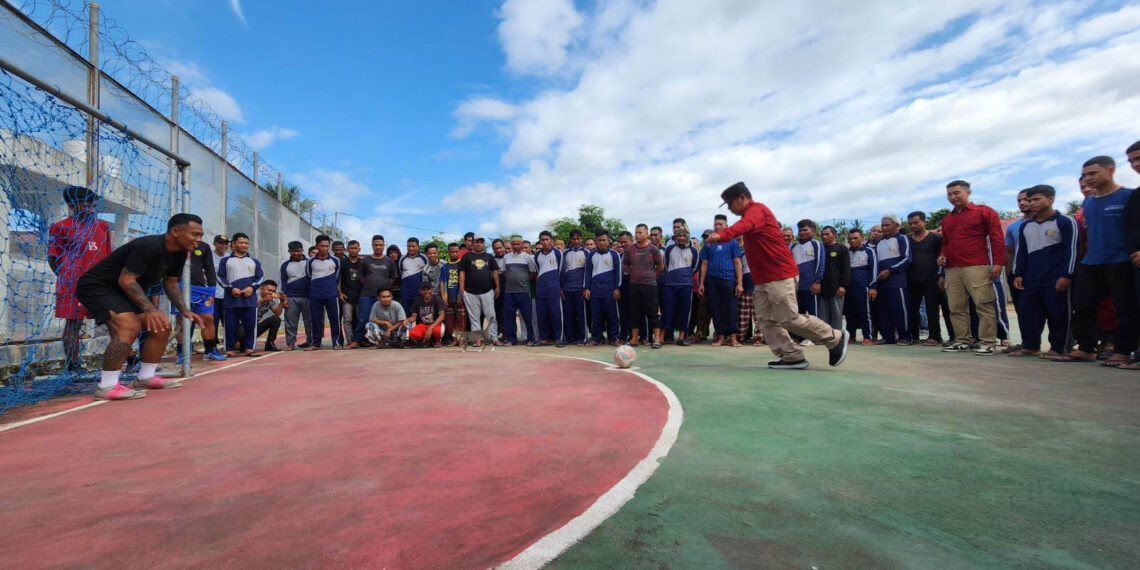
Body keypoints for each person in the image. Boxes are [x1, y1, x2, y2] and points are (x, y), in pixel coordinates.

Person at [708, 182, 849, 369]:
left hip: (779, 275)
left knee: (789, 317)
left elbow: (744, 225)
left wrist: (722, 235)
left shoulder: (757, 211)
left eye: (729, 203)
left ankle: (835, 338)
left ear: (742, 197)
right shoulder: (750, 215)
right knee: (766, 320)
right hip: (762, 279)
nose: (729, 208)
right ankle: (791, 356)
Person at [75, 213, 205, 400]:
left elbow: (170, 283)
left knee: (162, 327)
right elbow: (126, 279)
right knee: (129, 325)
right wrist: (150, 309)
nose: (199, 240)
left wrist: (185, 310)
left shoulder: (181, 252)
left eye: (200, 235)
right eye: (195, 234)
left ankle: (145, 377)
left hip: (123, 290)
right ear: (175, 231)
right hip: (98, 287)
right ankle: (107, 386)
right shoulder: (148, 246)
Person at [1053, 156, 1136, 366]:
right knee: (1082, 307)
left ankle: (1123, 351)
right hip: (1091, 263)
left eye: (1093, 173)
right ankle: (1086, 348)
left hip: (1121, 261)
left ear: (1111, 170)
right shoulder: (1088, 202)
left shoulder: (1129, 196)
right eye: (1084, 175)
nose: (1088, 179)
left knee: (1125, 308)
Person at [48, 186, 112, 374]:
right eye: (86, 205)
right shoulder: (60, 227)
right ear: (71, 205)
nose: (92, 209)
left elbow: (108, 256)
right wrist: (66, 278)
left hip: (99, 283)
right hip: (72, 283)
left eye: (93, 205)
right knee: (73, 323)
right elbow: (53, 258)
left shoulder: (102, 226)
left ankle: (129, 357)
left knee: (114, 319)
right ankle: (73, 364)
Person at [938, 180, 1006, 355]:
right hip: (952, 268)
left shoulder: (984, 212)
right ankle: (962, 340)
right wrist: (942, 257)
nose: (953, 197)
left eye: (956, 193)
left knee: (983, 304)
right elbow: (946, 243)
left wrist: (998, 263)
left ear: (968, 192)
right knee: (955, 307)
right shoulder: (947, 219)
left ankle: (988, 342)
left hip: (977, 265)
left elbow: (996, 238)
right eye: (949, 194)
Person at [1010, 185, 1076, 358]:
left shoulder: (1064, 221)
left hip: (1055, 278)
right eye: (1029, 200)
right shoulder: (1026, 226)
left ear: (1050, 199)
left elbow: (1073, 250)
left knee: (1058, 314)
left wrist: (1066, 275)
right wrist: (1018, 274)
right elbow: (1021, 253)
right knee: (1029, 313)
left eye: (1036, 199)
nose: (1031, 203)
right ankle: (1031, 346)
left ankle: (1059, 347)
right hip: (1031, 279)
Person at [172, 239, 225, 362]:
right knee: (181, 321)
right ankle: (182, 354)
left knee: (208, 318)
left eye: (200, 233)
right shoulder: (174, 243)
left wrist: (212, 290)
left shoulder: (203, 247)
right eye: (195, 233)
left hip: (200, 288)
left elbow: (209, 268)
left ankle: (210, 351)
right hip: (179, 286)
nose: (197, 236)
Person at [699, 215, 743, 347]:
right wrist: (701, 283)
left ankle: (734, 338)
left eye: (720, 224)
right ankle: (720, 337)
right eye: (715, 224)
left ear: (726, 226)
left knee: (731, 308)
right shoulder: (708, 243)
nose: (717, 226)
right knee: (716, 308)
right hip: (712, 281)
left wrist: (739, 283)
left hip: (728, 279)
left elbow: (737, 262)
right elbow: (704, 264)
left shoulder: (732, 242)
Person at [218, 233, 264, 357]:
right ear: (233, 244)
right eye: (241, 242)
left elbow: (260, 278)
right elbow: (220, 277)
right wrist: (230, 288)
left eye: (246, 243)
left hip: (250, 301)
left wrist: (252, 287)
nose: (244, 245)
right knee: (230, 326)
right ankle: (229, 349)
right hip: (231, 301)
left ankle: (249, 348)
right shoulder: (225, 261)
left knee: (250, 325)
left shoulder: (254, 261)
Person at [906, 211, 948, 345]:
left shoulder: (936, 238)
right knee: (912, 308)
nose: (913, 225)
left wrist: (942, 275)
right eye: (910, 223)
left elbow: (942, 257)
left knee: (932, 308)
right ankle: (914, 336)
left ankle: (935, 336)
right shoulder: (907, 240)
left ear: (924, 222)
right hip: (912, 279)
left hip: (931, 278)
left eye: (916, 222)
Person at [623, 223, 665, 348]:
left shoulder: (653, 249)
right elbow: (625, 266)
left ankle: (656, 339)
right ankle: (634, 339)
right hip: (634, 285)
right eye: (636, 232)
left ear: (646, 234)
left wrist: (651, 275)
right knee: (635, 313)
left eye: (640, 232)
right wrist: (634, 275)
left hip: (650, 286)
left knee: (652, 313)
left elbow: (661, 266)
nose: (637, 235)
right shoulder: (630, 249)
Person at [874, 215, 912, 345]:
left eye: (887, 225)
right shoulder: (879, 242)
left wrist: (890, 270)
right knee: (883, 310)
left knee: (900, 310)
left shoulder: (902, 239)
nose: (884, 228)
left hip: (897, 282)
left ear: (897, 226)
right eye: (882, 225)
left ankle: (905, 337)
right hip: (881, 282)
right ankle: (888, 336)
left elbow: (907, 259)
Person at [355, 235, 399, 347]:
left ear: (384, 246)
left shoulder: (389, 261)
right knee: (363, 318)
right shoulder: (365, 260)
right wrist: (369, 285)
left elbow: (393, 277)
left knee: (385, 319)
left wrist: (385, 290)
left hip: (384, 297)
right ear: (372, 245)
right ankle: (357, 340)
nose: (378, 247)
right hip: (367, 294)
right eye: (376, 245)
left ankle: (388, 340)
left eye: (380, 245)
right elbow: (360, 277)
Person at [458, 235, 500, 343]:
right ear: (472, 243)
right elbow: (462, 273)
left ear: (483, 244)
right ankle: (477, 339)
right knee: (474, 318)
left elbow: (495, 272)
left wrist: (497, 286)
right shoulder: (467, 257)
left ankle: (494, 338)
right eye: (477, 242)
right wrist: (462, 289)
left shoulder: (489, 257)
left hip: (487, 291)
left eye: (481, 242)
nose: (479, 244)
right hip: (470, 292)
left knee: (491, 316)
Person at [585, 229, 622, 346]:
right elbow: (587, 272)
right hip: (595, 291)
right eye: (599, 240)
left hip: (610, 291)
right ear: (596, 241)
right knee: (596, 316)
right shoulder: (591, 255)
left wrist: (617, 288)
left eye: (604, 240)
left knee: (612, 316)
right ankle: (596, 338)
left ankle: (614, 338)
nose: (601, 243)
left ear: (608, 241)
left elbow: (618, 272)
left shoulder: (614, 254)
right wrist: (586, 288)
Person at [305, 234, 343, 350]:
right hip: (315, 295)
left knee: (334, 320)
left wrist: (332, 288)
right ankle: (316, 344)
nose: (324, 248)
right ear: (317, 246)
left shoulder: (335, 260)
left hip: (331, 295)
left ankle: (336, 342)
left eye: (326, 246)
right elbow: (308, 275)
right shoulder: (310, 261)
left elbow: (337, 277)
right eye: (322, 246)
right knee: (316, 320)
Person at [663, 227, 698, 346]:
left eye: (684, 236)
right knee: (667, 310)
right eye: (680, 236)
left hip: (686, 285)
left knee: (685, 311)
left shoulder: (693, 251)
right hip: (671, 284)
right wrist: (674, 275)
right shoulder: (669, 249)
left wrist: (686, 275)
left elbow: (695, 267)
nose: (682, 238)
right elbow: (666, 265)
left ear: (688, 237)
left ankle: (682, 337)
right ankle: (662, 337)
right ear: (676, 237)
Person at [500, 235, 538, 345]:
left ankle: (530, 338)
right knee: (509, 316)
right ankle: (511, 339)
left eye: (518, 244)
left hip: (524, 292)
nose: (516, 246)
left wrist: (523, 281)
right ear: (511, 245)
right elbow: (504, 271)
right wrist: (513, 279)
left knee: (527, 316)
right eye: (513, 244)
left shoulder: (528, 257)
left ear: (522, 245)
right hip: (509, 292)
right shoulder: (506, 257)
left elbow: (533, 273)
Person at [844, 228, 877, 346]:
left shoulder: (869, 251)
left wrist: (873, 287)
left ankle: (868, 336)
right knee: (849, 313)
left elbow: (874, 269)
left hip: (863, 287)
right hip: (848, 288)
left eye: (855, 238)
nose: (852, 241)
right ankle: (851, 336)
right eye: (850, 238)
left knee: (865, 312)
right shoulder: (846, 252)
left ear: (862, 238)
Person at [279, 241, 312, 350]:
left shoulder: (309, 262)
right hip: (292, 297)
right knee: (291, 322)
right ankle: (290, 343)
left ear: (302, 250)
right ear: (289, 251)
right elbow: (283, 282)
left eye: (298, 251)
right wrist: (284, 297)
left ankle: (310, 342)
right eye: (293, 251)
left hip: (308, 296)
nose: (296, 253)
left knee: (309, 321)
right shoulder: (285, 265)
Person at [790, 219, 825, 322]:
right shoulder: (794, 247)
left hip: (811, 287)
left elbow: (820, 263)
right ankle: (799, 337)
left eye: (805, 230)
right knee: (799, 313)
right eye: (800, 230)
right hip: (797, 287)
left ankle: (816, 337)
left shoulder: (816, 244)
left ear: (813, 231)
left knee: (814, 314)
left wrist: (817, 281)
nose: (802, 232)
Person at [534, 231, 564, 346]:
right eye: (543, 240)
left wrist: (560, 287)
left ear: (551, 240)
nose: (545, 242)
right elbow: (538, 272)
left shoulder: (558, 253)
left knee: (556, 314)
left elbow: (561, 271)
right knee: (542, 314)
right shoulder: (537, 255)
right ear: (540, 241)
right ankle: (544, 338)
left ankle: (558, 338)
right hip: (541, 289)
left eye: (547, 239)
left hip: (554, 289)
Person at [818, 226, 850, 331]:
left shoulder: (841, 248)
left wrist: (843, 286)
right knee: (822, 314)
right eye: (822, 234)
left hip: (836, 287)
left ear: (834, 235)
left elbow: (846, 268)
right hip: (821, 287)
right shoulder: (820, 248)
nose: (824, 236)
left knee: (836, 314)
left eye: (827, 234)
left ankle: (837, 336)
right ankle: (825, 336)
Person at [560, 229, 589, 345]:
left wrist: (586, 287)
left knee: (581, 315)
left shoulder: (587, 253)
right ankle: (569, 337)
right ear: (570, 240)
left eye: (578, 238)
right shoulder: (565, 253)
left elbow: (588, 272)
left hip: (580, 290)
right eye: (573, 239)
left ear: (581, 239)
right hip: (567, 289)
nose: (576, 241)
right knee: (568, 314)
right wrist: (561, 287)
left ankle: (582, 338)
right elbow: (561, 271)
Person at [340, 240, 364, 349]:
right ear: (347, 249)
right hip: (347, 296)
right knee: (347, 319)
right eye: (351, 248)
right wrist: (339, 293)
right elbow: (339, 279)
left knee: (361, 319)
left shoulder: (363, 263)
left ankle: (360, 340)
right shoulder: (343, 263)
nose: (353, 250)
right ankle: (350, 341)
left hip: (361, 296)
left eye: (355, 248)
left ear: (359, 249)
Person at [440, 243, 465, 345]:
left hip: (459, 296)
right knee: (450, 320)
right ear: (448, 252)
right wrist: (443, 297)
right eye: (452, 251)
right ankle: (454, 340)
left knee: (461, 319)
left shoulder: (462, 265)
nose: (454, 253)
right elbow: (442, 282)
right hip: (448, 297)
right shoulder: (445, 267)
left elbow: (464, 281)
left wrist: (461, 295)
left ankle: (461, 339)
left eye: (456, 251)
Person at [251, 279, 284, 351]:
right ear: (261, 289)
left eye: (273, 291)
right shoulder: (253, 295)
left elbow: (277, 313)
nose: (271, 293)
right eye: (269, 290)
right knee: (240, 347)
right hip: (243, 326)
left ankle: (269, 343)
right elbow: (250, 306)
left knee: (276, 319)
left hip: (255, 327)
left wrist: (282, 302)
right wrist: (262, 300)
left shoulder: (269, 301)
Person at [737, 237, 758, 343]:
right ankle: (740, 337)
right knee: (743, 316)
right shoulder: (741, 254)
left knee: (758, 315)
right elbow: (739, 269)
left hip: (758, 288)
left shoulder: (760, 252)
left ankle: (759, 338)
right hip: (745, 287)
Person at [399, 238, 428, 313]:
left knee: (420, 314)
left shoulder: (424, 258)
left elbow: (427, 272)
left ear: (418, 247)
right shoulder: (402, 259)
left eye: (413, 246)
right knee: (406, 313)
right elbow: (401, 272)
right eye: (409, 246)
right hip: (406, 292)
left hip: (420, 292)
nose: (410, 248)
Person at [211, 235, 230, 345]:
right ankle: (212, 346)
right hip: (213, 295)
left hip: (227, 295)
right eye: (221, 243)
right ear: (214, 244)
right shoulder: (209, 257)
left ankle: (229, 345)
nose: (224, 245)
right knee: (213, 321)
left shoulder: (229, 258)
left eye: (226, 243)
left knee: (227, 321)